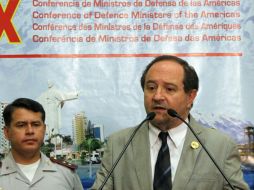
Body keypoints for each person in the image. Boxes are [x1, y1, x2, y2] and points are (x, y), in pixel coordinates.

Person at [91, 55, 249, 190]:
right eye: (151, 87)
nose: (158, 96)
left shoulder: (220, 147)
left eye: (169, 89)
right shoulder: (118, 144)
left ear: (190, 97)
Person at [0, 98, 83, 190]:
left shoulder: (67, 174)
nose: (30, 131)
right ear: (7, 132)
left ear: (44, 130)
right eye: (21, 125)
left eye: (36, 124)